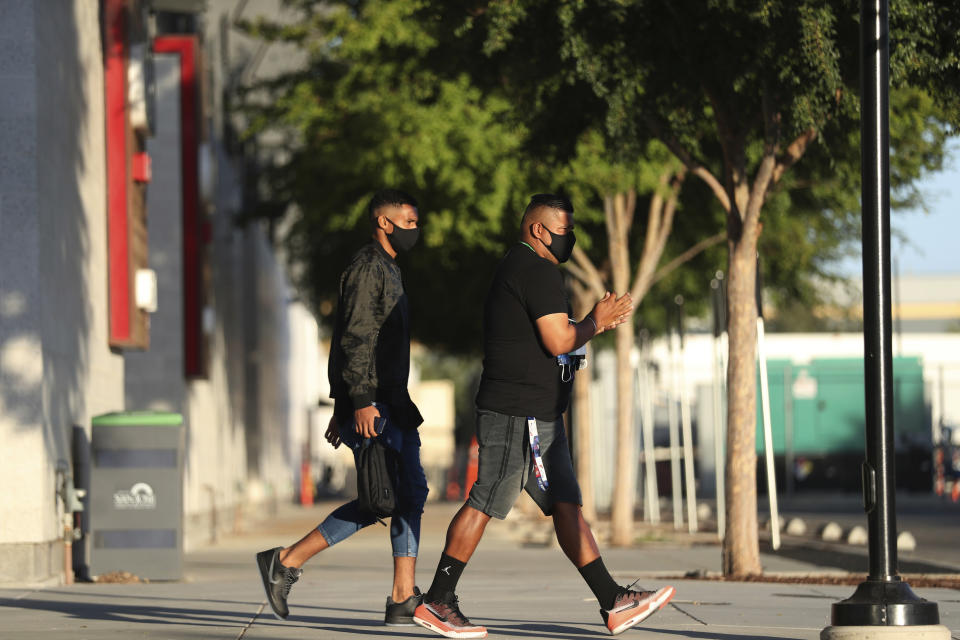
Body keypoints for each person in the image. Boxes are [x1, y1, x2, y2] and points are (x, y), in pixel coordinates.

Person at [412, 194, 676, 638]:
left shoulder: (525, 269)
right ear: (538, 230)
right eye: (562, 231)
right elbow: (558, 339)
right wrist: (596, 320)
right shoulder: (535, 271)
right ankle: (437, 601)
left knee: (565, 504)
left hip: (539, 414)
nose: (568, 239)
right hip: (517, 413)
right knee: (487, 499)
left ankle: (613, 602)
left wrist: (587, 329)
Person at [256, 189, 429, 626]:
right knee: (384, 498)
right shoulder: (369, 268)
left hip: (390, 400)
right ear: (384, 222)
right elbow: (354, 338)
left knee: (402, 494)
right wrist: (359, 401)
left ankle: (402, 594)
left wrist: (344, 404)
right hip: (379, 402)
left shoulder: (389, 269)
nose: (415, 229)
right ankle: (289, 559)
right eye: (407, 222)